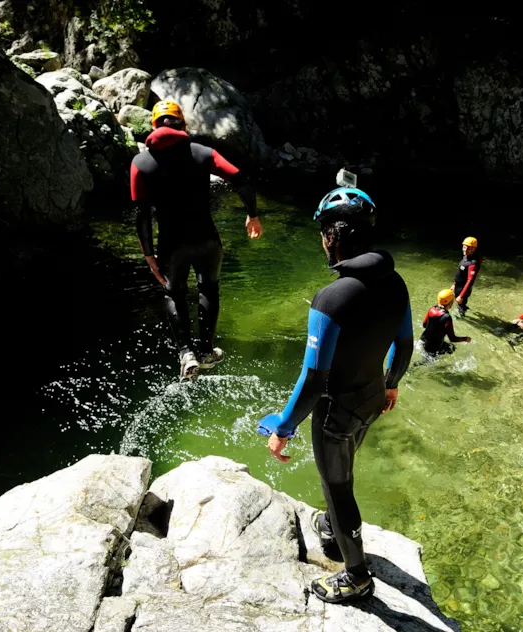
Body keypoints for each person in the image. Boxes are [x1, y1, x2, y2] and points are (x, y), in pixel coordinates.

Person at [256, 185, 414, 605]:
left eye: (323, 233)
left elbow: (313, 380)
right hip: (371, 400)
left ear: (333, 236)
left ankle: (357, 577)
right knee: (345, 468)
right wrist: (392, 383)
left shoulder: (331, 299)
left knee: (338, 486)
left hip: (335, 411)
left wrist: (283, 428)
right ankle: (332, 525)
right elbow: (405, 344)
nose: (322, 241)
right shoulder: (396, 283)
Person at [130, 100, 263, 381]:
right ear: (183, 124)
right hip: (207, 240)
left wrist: (149, 255)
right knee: (209, 288)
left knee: (173, 293)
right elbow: (241, 179)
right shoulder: (203, 153)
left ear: (154, 126)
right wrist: (252, 215)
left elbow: (141, 214)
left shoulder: (141, 163)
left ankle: (186, 353)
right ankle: (205, 350)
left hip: (172, 245)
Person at [420, 289, 472, 355]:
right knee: (451, 350)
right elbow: (452, 338)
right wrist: (465, 339)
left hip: (424, 340)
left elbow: (424, 325)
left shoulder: (432, 309)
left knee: (452, 348)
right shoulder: (447, 317)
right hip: (434, 347)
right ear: (450, 303)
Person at [451, 236, 482, 316]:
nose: (465, 250)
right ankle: (462, 309)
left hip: (463, 289)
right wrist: (454, 284)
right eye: (464, 247)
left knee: (461, 305)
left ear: (474, 249)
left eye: (468, 248)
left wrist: (461, 296)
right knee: (459, 304)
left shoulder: (473, 263)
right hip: (458, 286)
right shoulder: (466, 257)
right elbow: (460, 273)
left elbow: (470, 280)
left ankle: (462, 317)